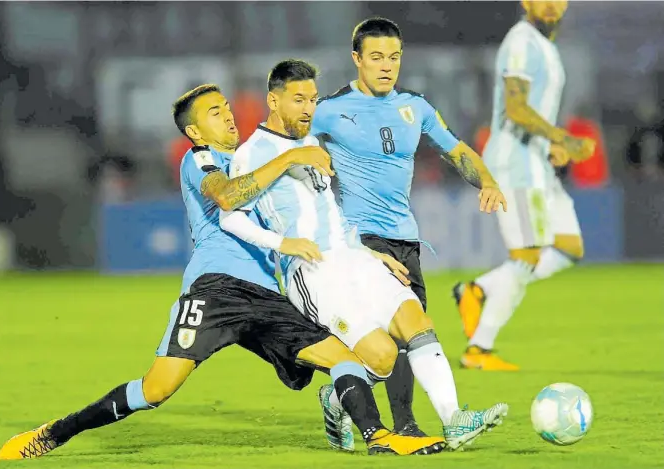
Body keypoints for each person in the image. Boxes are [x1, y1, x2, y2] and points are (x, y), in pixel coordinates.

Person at [0, 85, 446, 460]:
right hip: (217, 291)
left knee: (346, 358)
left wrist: (366, 253)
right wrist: (289, 160)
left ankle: (378, 436)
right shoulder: (203, 159)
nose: (229, 117)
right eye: (215, 112)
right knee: (156, 389)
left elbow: (318, 218)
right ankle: (56, 432)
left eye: (228, 108)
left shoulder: (258, 154)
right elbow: (227, 197)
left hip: (271, 295)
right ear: (195, 130)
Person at [220, 59, 509, 452]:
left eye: (313, 99)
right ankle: (337, 396)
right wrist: (282, 245)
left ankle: (454, 419)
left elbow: (331, 212)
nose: (308, 108)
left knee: (416, 321)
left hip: (352, 256)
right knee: (383, 356)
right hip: (312, 270)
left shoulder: (311, 143)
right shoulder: (254, 152)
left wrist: (369, 253)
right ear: (274, 100)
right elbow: (230, 216)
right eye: (298, 99)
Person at [309, 17, 509, 445]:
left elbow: (456, 149)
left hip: (406, 237)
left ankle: (342, 393)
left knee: (403, 338)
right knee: (408, 329)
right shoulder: (329, 108)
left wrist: (487, 181)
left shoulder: (414, 107)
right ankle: (417, 423)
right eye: (376, 57)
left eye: (394, 57)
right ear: (356, 59)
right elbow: (289, 146)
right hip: (362, 243)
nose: (386, 66)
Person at [453, 0, 596, 370]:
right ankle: (478, 350)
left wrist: (550, 144)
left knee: (568, 247)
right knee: (528, 255)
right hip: (516, 161)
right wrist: (561, 137)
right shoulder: (520, 41)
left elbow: (534, 109)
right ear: (525, 2)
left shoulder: (545, 45)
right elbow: (516, 109)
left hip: (537, 160)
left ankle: (479, 289)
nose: (551, 5)